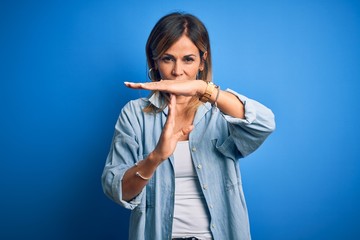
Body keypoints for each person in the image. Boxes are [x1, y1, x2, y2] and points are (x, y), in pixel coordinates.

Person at [101, 12, 275, 240]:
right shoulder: (134, 114)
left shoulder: (220, 112)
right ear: (154, 61)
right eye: (167, 58)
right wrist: (154, 158)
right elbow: (118, 190)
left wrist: (204, 90)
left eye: (188, 59)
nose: (177, 71)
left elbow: (264, 123)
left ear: (203, 61)